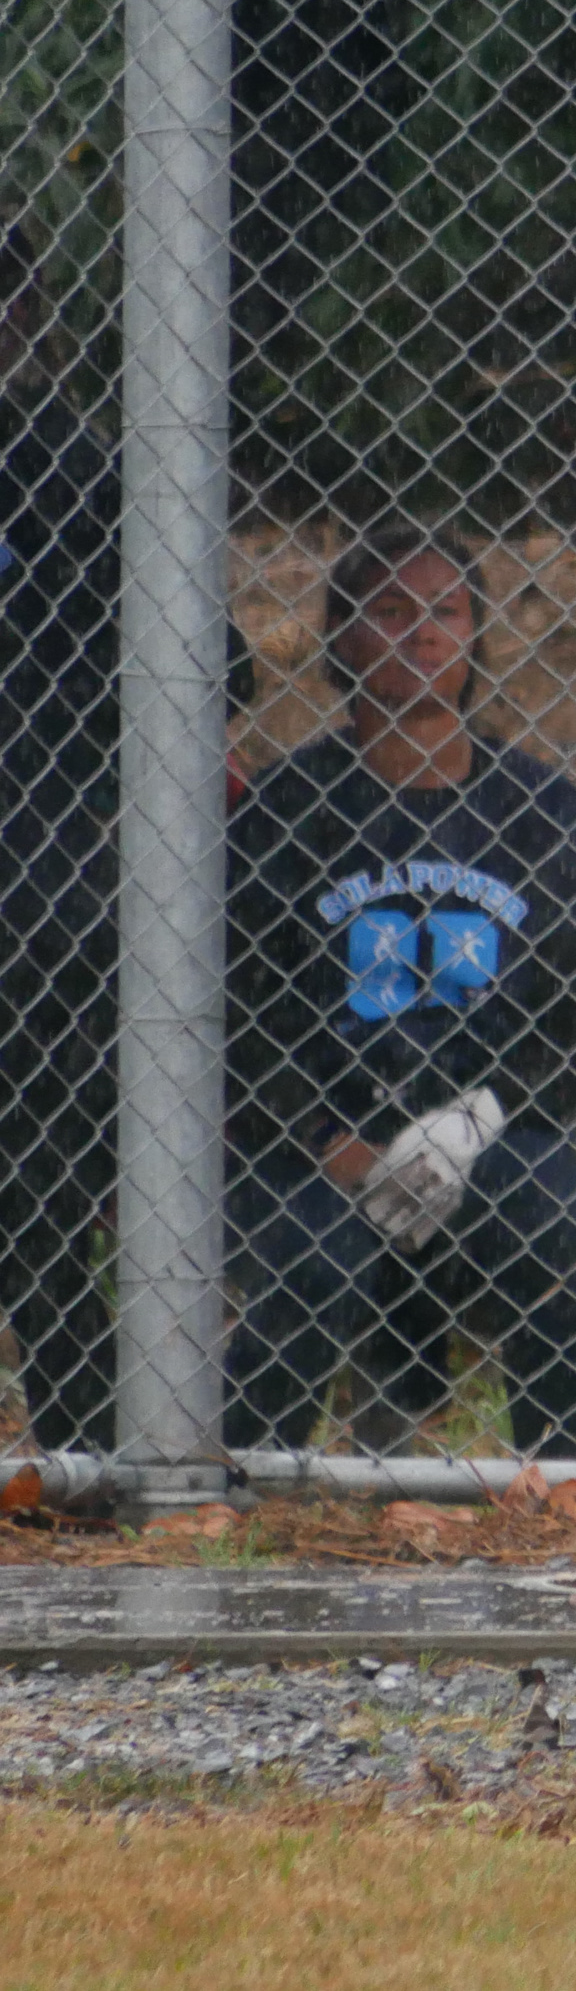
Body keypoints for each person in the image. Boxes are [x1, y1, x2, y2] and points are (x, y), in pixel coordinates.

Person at [225, 523, 576, 1458]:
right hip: (316, 1142)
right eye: (392, 610)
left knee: (554, 1223)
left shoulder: (540, 807)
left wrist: (469, 1125)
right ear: (343, 637)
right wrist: (333, 1142)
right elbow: (241, 1018)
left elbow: (574, 1028)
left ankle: (559, 1486)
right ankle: (233, 1477)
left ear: (476, 637)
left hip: (486, 1129)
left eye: (446, 609)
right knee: (317, 1255)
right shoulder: (286, 804)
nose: (422, 631)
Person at [0, 224, 125, 1458]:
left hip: (38, 874)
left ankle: (88, 1455)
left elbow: (202, 670)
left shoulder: (67, 466)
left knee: (41, 1186)